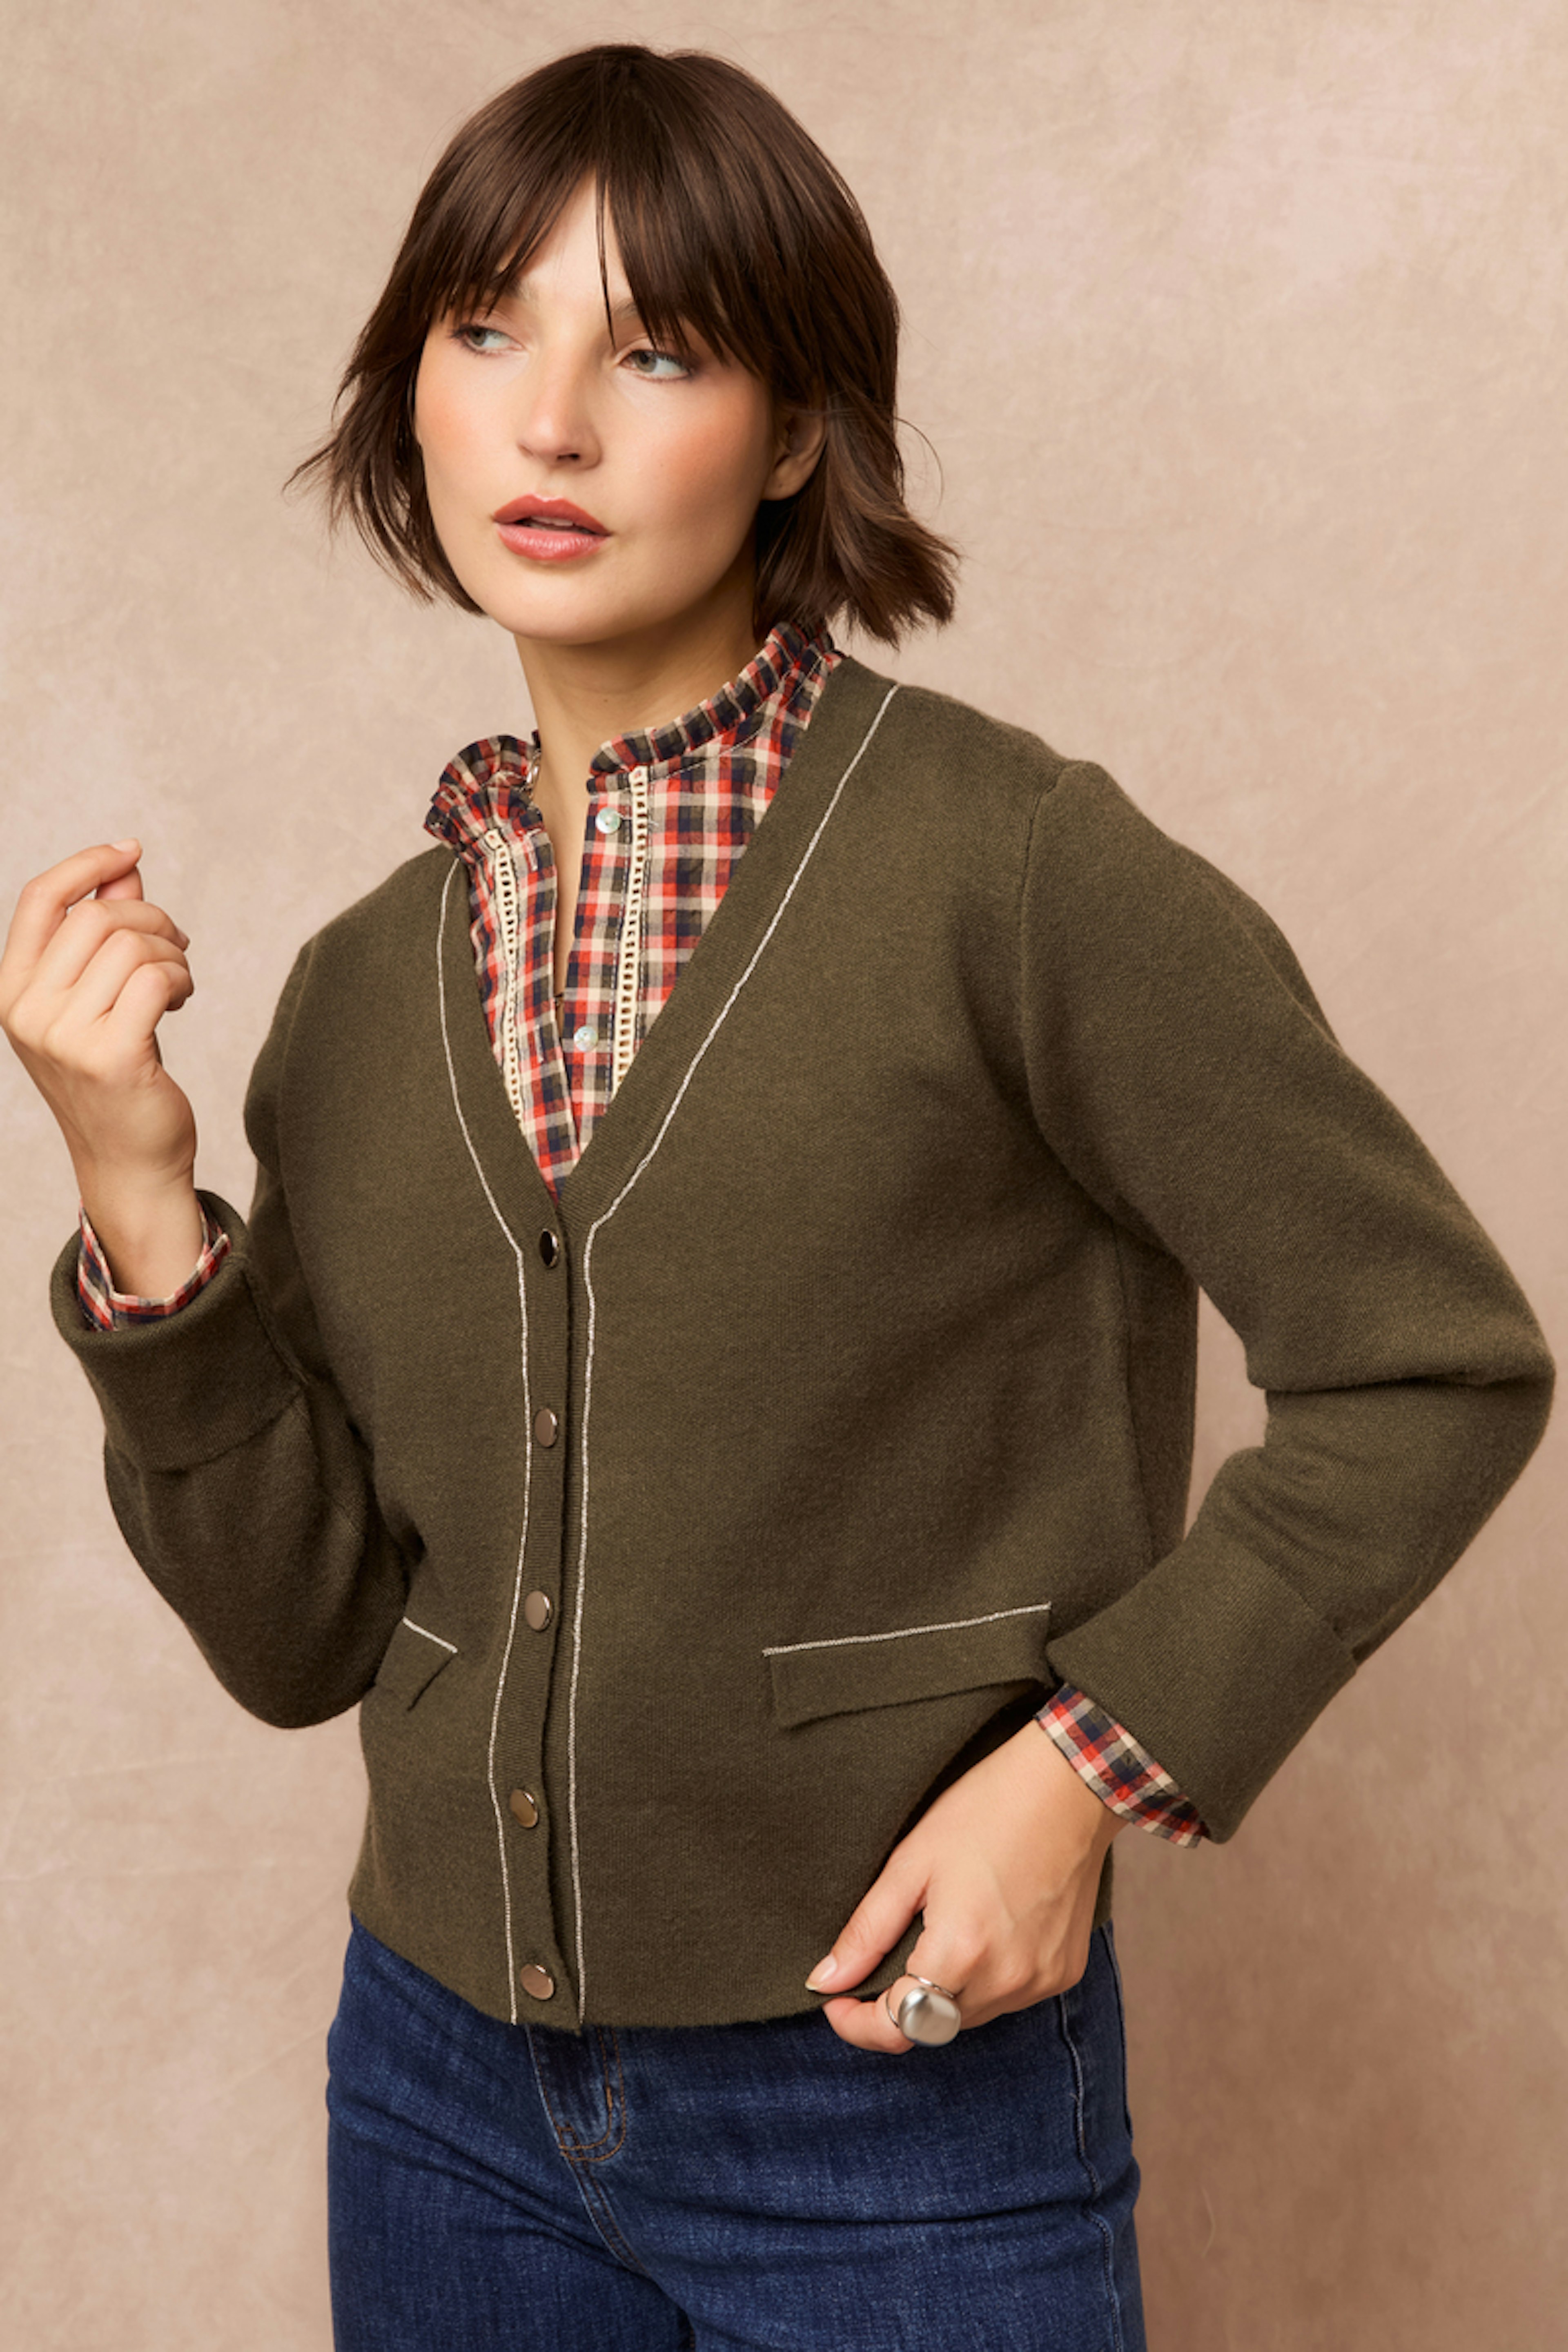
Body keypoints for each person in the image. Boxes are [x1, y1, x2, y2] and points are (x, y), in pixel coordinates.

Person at [0, 40, 1553, 2352]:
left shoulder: (1018, 877)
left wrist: (1083, 1773)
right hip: (433, 2096)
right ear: (412, 389)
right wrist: (141, 1198)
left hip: (895, 2104)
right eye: (489, 330)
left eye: (658, 352)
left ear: (799, 429)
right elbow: (301, 1642)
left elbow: (1433, 1365)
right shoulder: (354, 992)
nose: (550, 424)